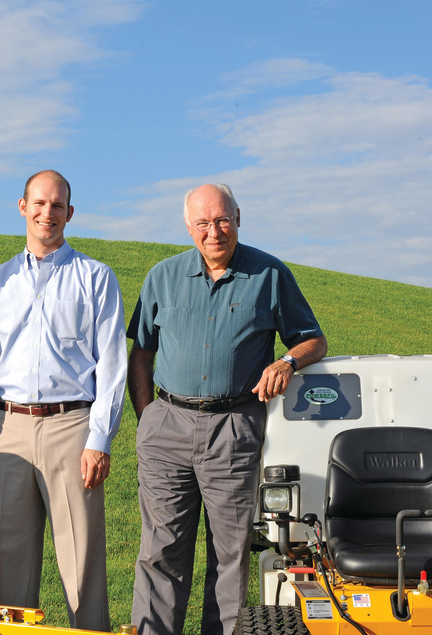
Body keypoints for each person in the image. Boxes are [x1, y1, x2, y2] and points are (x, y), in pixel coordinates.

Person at [128, 183, 328, 635]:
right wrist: (148, 419)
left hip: (234, 428)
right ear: (188, 227)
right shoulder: (162, 276)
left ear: (238, 218)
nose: (213, 232)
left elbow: (314, 339)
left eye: (221, 220)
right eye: (202, 223)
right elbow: (141, 353)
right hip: (167, 425)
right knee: (160, 551)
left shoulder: (269, 274)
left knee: (229, 556)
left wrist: (287, 361)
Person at [0, 170, 127, 632]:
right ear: (23, 207)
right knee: (10, 564)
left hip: (72, 429)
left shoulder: (96, 278)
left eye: (57, 205)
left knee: (81, 564)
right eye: (39, 203)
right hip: (10, 429)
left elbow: (112, 366)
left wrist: (99, 440)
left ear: (70, 213)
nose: (47, 213)